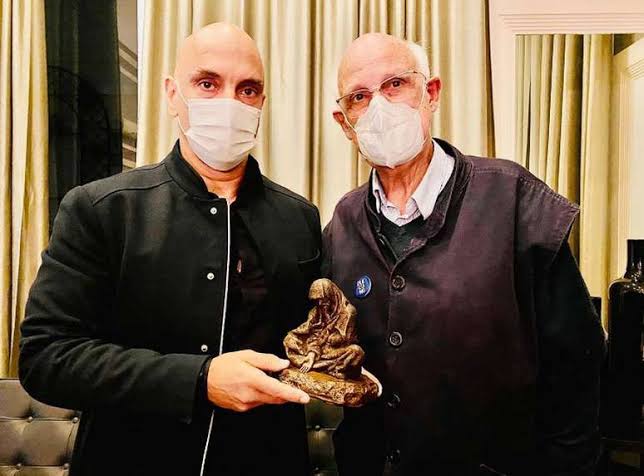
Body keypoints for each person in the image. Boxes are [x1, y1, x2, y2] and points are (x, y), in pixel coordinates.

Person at [19, 23, 321, 476]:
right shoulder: (102, 209)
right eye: (207, 84)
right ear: (172, 94)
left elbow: (315, 339)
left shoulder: (299, 218)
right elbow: (46, 357)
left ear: (261, 102)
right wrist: (198, 380)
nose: (229, 103)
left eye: (247, 89)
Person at [323, 32, 606, 475]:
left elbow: (578, 367)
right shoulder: (343, 222)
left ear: (431, 93)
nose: (379, 107)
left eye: (395, 84)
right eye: (360, 97)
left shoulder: (513, 200)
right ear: (345, 123)